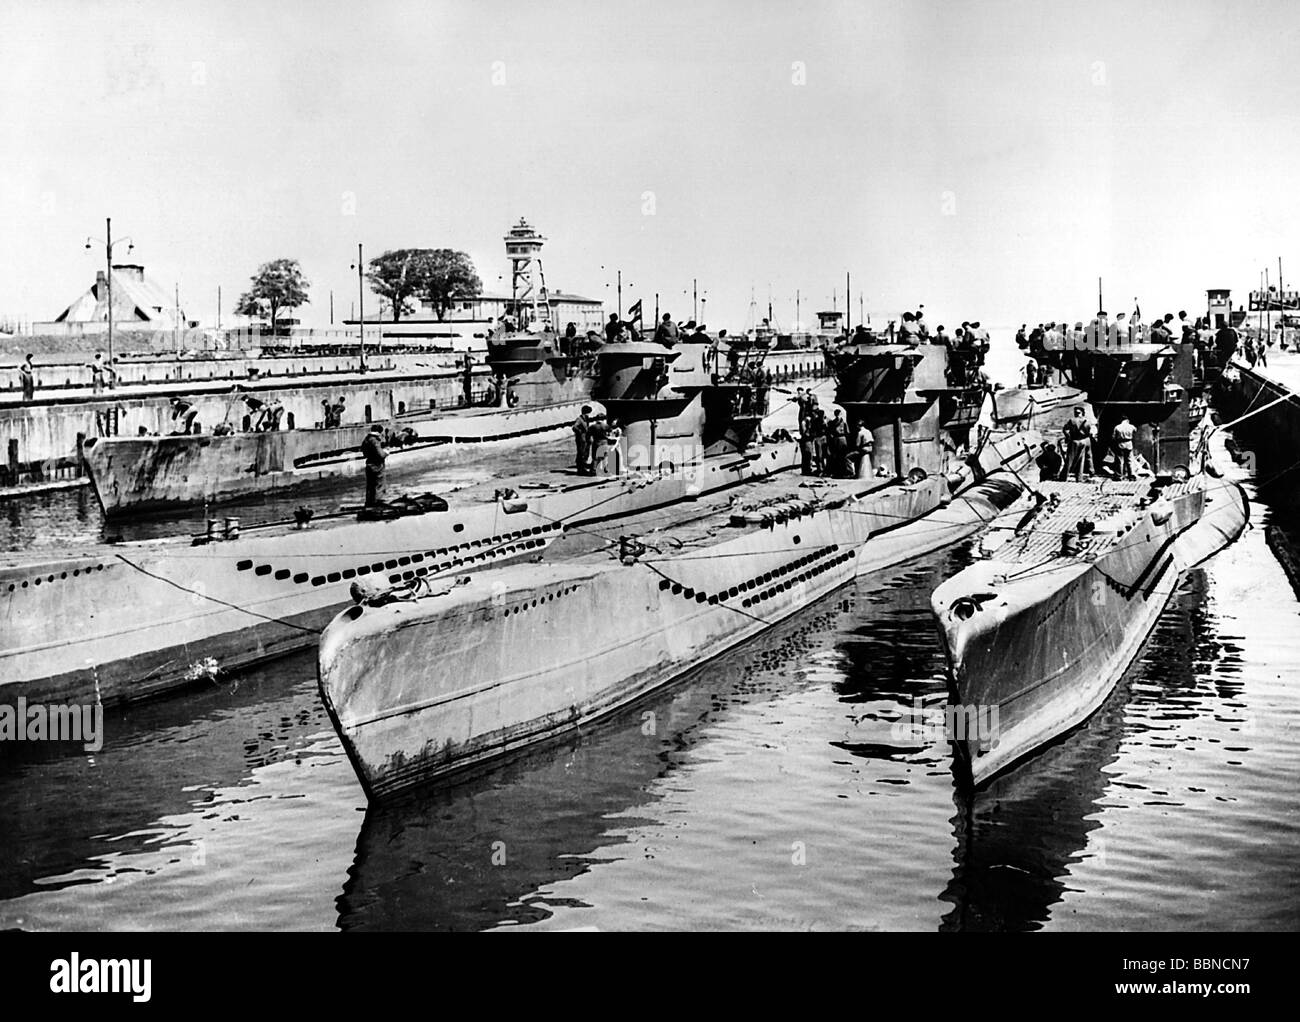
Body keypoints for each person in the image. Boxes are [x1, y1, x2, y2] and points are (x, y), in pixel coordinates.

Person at [1062, 406, 1094, 480]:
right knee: (1084, 458)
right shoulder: (1087, 421)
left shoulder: (1072, 420)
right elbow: (1090, 431)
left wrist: (1068, 437)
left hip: (1075, 441)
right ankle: (1081, 476)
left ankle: (1064, 476)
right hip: (1086, 440)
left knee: (1069, 459)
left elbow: (1065, 430)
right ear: (1082, 413)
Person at [361, 424, 387, 507]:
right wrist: (386, 453)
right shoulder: (375, 440)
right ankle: (378, 502)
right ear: (379, 432)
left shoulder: (366, 439)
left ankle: (369, 502)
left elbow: (364, 453)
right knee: (379, 483)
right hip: (377, 465)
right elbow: (380, 454)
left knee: (370, 485)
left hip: (369, 464)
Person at [826, 408, 851, 477]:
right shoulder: (832, 422)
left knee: (842, 455)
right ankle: (836, 471)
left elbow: (847, 432)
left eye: (839, 414)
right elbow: (830, 431)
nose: (838, 416)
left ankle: (844, 471)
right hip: (835, 439)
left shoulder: (844, 423)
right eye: (836, 414)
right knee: (835, 455)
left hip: (842, 438)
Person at [1112, 415, 1137, 480]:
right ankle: (1131, 475)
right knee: (1129, 460)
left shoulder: (1117, 427)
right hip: (1129, 444)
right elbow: (1135, 431)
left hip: (1120, 444)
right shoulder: (1131, 426)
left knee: (1120, 461)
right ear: (1127, 420)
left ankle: (1119, 476)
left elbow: (1113, 437)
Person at [572, 405, 592, 474]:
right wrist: (580, 432)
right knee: (581, 453)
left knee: (586, 453)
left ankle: (583, 467)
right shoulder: (579, 419)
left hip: (586, 439)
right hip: (581, 439)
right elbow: (574, 427)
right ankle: (580, 469)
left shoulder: (586, 418)